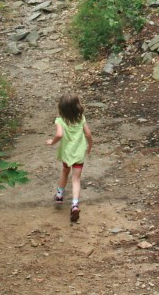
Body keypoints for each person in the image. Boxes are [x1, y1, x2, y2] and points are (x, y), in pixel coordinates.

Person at [45, 94, 93, 222]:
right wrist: (90, 146)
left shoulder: (59, 120)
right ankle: (75, 205)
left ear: (61, 108)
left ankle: (59, 195)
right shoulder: (81, 118)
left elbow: (59, 134)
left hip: (67, 154)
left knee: (65, 172)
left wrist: (52, 142)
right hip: (79, 153)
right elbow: (88, 134)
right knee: (76, 179)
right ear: (78, 107)